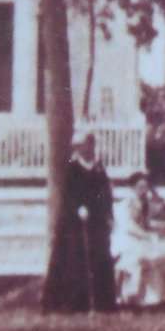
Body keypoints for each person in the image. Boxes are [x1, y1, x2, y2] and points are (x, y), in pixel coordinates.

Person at [44, 132, 116, 312]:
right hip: (75, 224)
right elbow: (68, 194)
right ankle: (75, 303)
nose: (86, 149)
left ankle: (102, 302)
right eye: (82, 146)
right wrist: (77, 208)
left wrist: (107, 213)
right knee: (75, 260)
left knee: (100, 259)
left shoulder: (99, 167)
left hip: (97, 222)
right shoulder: (73, 168)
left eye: (89, 145)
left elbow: (105, 193)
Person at [114, 170, 165, 308]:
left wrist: (159, 198)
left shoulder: (147, 203)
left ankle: (161, 297)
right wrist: (148, 236)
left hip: (143, 240)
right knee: (142, 258)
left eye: (146, 187)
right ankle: (132, 298)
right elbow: (129, 227)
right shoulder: (125, 204)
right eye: (140, 187)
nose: (143, 191)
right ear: (132, 188)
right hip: (127, 240)